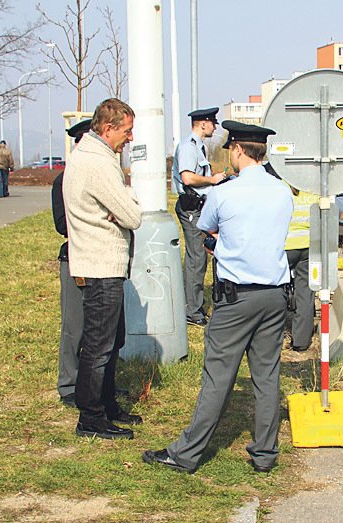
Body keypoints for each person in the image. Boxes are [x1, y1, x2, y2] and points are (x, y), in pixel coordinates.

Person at [143, 121, 293, 473]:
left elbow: (205, 227)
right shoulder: (282, 190)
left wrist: (221, 244)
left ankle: (186, 454)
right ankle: (265, 454)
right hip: (274, 296)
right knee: (267, 376)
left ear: (237, 150)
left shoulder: (225, 193)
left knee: (218, 376)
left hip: (236, 298)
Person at [63, 98, 143, 440]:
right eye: (126, 130)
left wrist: (124, 205)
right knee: (98, 346)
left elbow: (125, 209)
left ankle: (107, 405)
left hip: (101, 264)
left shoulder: (91, 156)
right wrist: (125, 205)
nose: (130, 137)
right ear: (108, 129)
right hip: (100, 267)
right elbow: (134, 215)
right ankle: (91, 419)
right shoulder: (97, 162)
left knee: (108, 342)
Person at [171, 107, 227, 327]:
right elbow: (187, 178)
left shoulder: (200, 147)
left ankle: (198, 305)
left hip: (201, 206)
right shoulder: (188, 147)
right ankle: (192, 311)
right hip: (191, 207)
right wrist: (212, 180)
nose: (215, 126)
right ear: (203, 124)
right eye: (213, 123)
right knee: (197, 258)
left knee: (205, 254)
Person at [51, 119, 91, 408]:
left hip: (103, 260)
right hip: (76, 257)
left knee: (103, 329)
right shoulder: (63, 180)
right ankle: (69, 384)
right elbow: (63, 224)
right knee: (74, 326)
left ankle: (97, 384)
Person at [284, 185, 320, 352]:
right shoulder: (314, 189)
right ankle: (301, 341)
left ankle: (277, 334)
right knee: (306, 292)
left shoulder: (281, 187)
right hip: (309, 247)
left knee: (276, 290)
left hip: (285, 246)